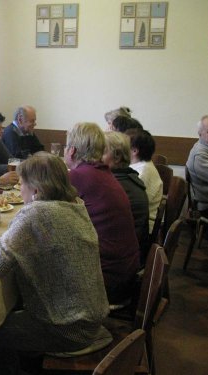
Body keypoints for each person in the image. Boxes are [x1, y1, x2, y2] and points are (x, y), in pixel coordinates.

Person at [0, 152, 111, 372]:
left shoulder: (36, 213)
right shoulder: (76, 205)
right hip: (91, 319)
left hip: (67, 330)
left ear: (36, 190)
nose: (20, 189)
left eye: (22, 184)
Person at [65, 123, 140, 303]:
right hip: (125, 272)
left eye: (66, 147)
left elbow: (42, 216)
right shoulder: (103, 173)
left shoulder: (77, 177)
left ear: (72, 151)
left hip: (105, 280)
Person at [103, 131, 150, 263]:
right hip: (128, 251)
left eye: (102, 152)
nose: (96, 158)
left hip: (121, 260)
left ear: (117, 158)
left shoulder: (115, 186)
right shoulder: (127, 178)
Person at [126, 129, 163, 233]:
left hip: (141, 229)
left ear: (134, 151)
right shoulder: (139, 166)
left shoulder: (143, 171)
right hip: (137, 222)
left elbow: (132, 206)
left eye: (123, 145)